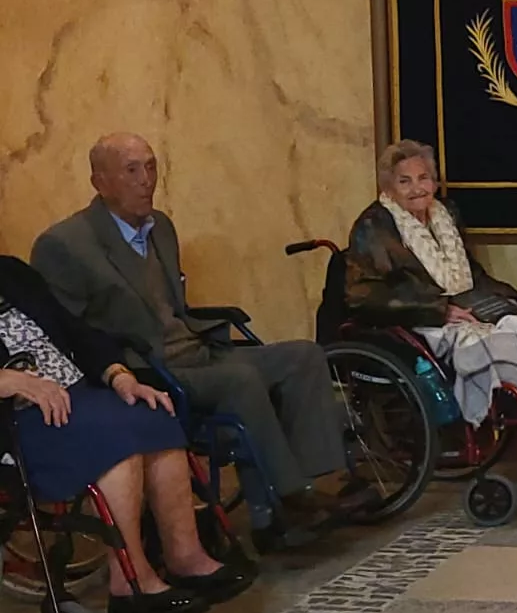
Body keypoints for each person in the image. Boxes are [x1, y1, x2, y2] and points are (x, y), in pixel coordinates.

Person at [30, 133, 374, 553]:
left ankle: (321, 481)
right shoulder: (66, 245)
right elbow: (67, 333)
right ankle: (288, 499)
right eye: (131, 170)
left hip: (194, 347)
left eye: (151, 166)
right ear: (99, 181)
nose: (146, 180)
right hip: (143, 366)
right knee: (239, 379)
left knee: (303, 355)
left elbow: (173, 304)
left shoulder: (161, 227)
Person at [0, 254, 253, 613]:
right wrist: (7, 380)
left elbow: (75, 330)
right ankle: (130, 584)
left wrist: (119, 376)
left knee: (155, 414)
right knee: (116, 441)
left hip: (75, 399)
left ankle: (185, 556)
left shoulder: (10, 272)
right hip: (17, 422)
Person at [344, 140, 517, 474]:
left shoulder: (445, 214)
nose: (417, 188)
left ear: (434, 181)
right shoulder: (374, 226)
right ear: (389, 187)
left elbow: (471, 275)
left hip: (465, 303)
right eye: (405, 181)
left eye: (423, 178)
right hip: (419, 318)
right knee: (492, 345)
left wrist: (505, 301)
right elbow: (362, 296)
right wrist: (440, 309)